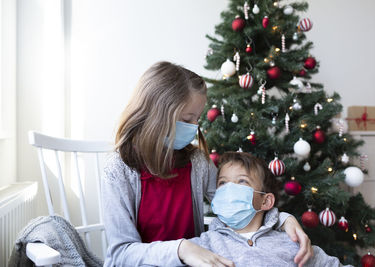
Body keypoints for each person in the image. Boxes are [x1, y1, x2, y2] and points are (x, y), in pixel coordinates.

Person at [101, 61, 313, 266]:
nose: (195, 128)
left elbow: (239, 201)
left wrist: (284, 220)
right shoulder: (119, 170)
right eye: (187, 119)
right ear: (155, 116)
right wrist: (181, 249)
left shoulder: (197, 163)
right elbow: (120, 253)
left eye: (197, 119)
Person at [189, 152, 351, 267]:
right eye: (223, 183)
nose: (229, 189)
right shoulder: (205, 244)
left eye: (242, 181)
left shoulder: (293, 243)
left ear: (265, 201)